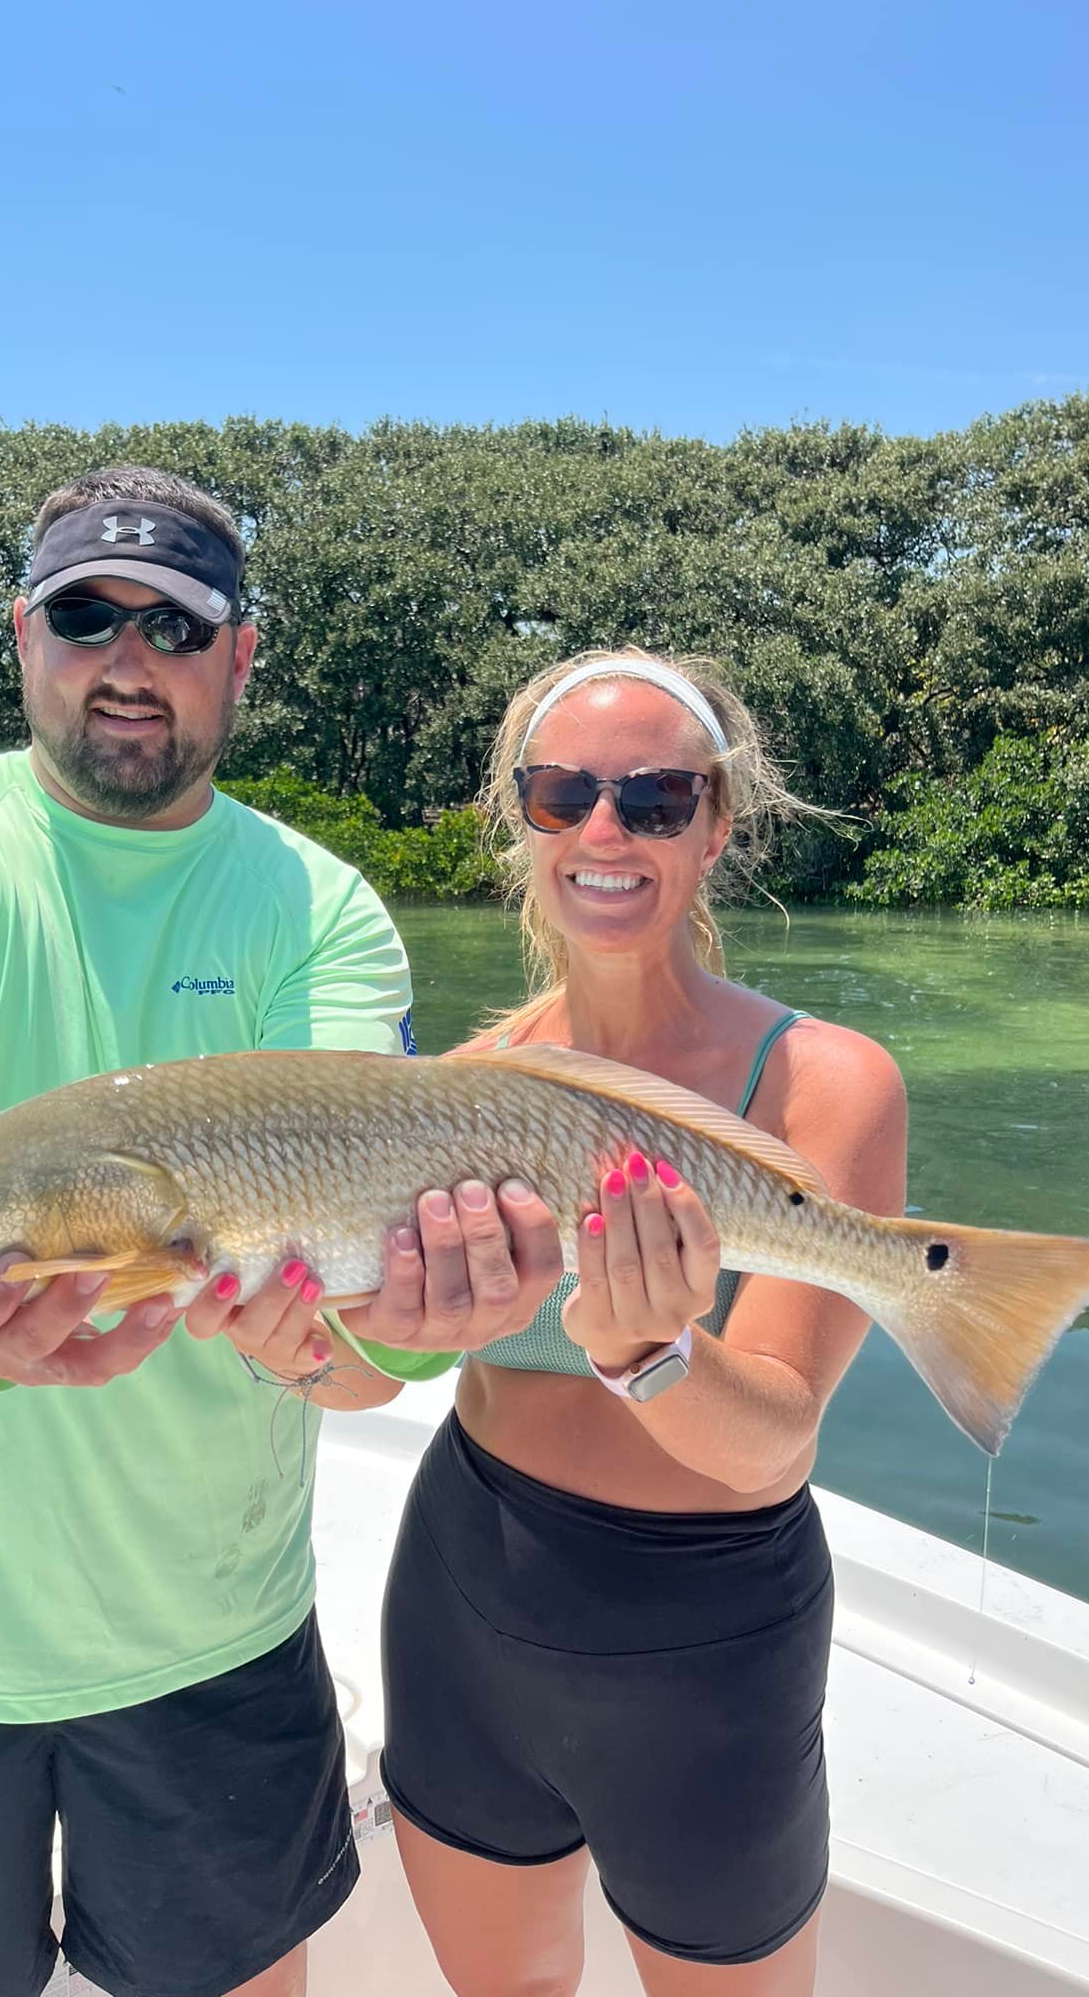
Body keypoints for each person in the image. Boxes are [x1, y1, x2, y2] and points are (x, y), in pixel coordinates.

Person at [0, 463, 562, 1997]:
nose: (128, 658)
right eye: (86, 617)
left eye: (176, 627)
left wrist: (410, 1326)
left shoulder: (320, 907)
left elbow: (355, 1289)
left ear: (240, 657)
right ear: (22, 635)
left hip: (211, 1629)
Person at [347, 647, 908, 1996]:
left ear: (715, 826)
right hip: (464, 1594)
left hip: (709, 1641)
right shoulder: (458, 1086)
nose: (606, 831)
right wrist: (290, 1336)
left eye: (655, 799)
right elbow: (372, 1364)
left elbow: (771, 1445)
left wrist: (650, 1353)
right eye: (563, 794)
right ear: (522, 820)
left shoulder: (826, 1085)